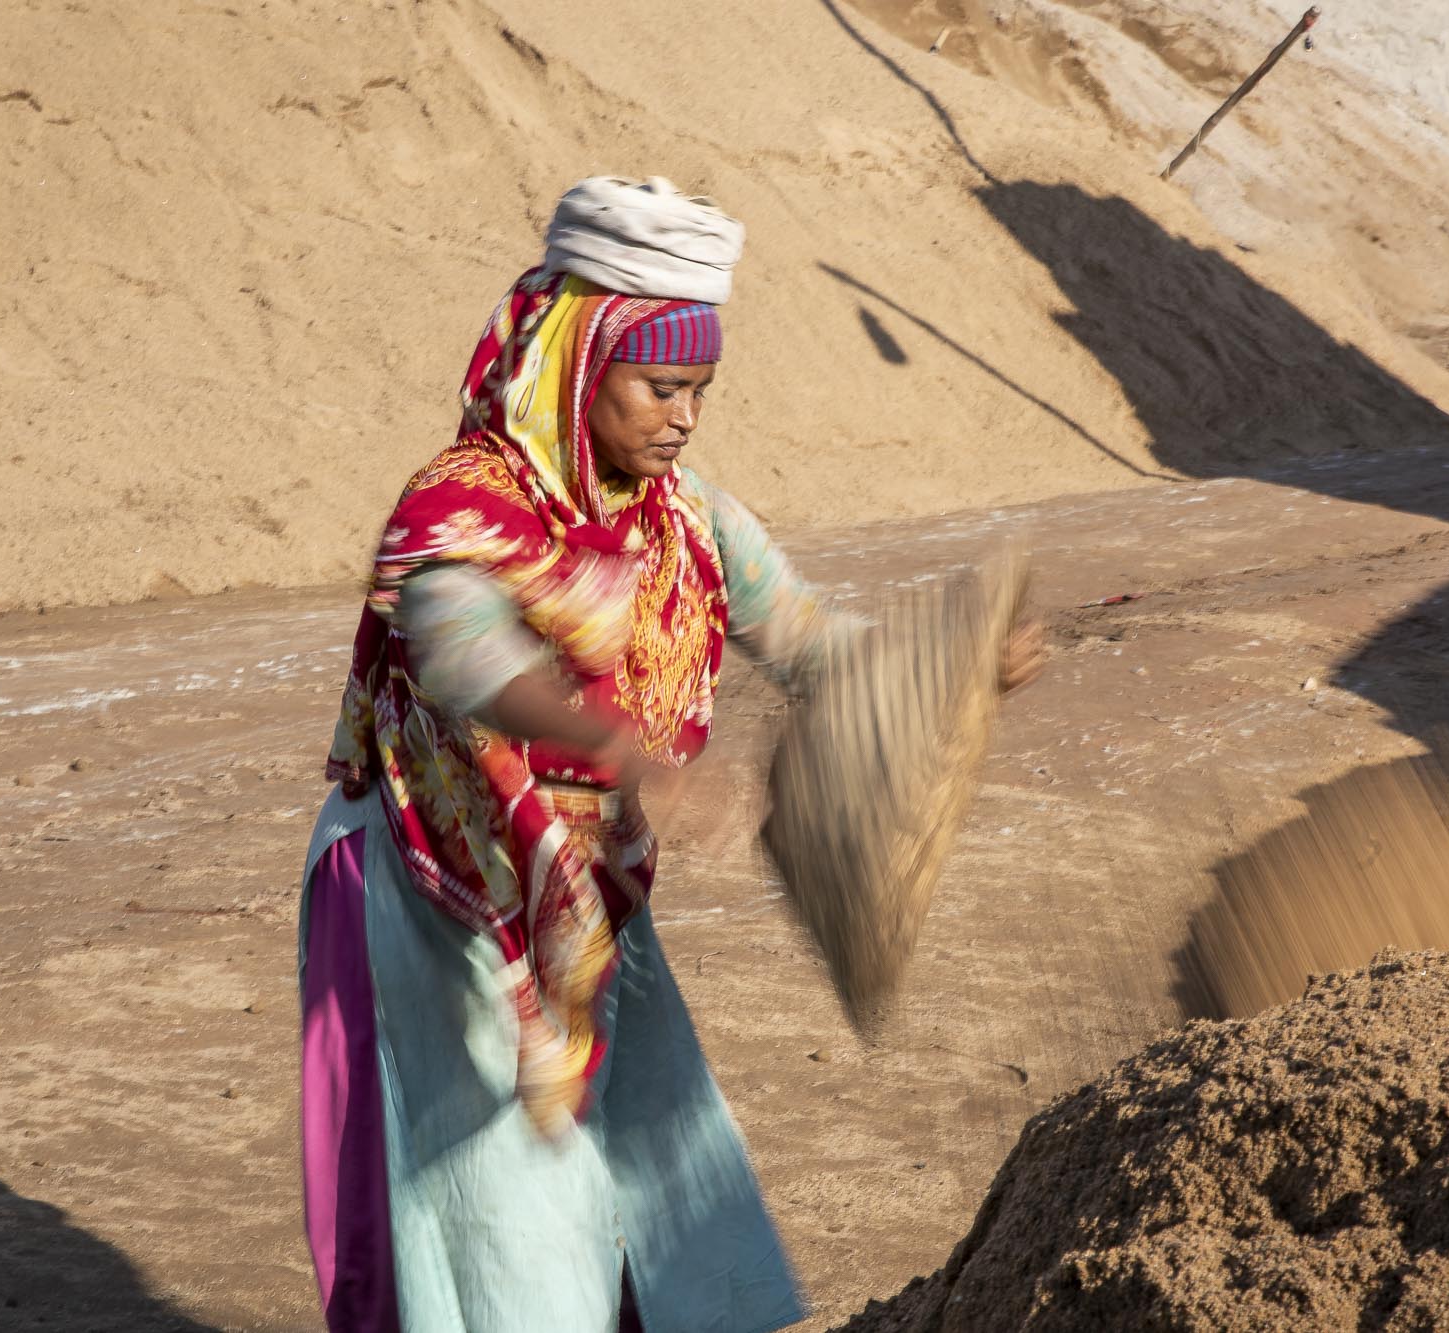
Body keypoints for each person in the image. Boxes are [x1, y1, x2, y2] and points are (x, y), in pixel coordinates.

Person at [298, 177, 1041, 1333]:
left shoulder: (686, 518)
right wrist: (631, 759)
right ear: (579, 367)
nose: (683, 416)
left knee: (665, 1162)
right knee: (505, 1201)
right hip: (437, 886)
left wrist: (952, 666)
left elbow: (800, 637)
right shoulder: (461, 509)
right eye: (660, 387)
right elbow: (463, 660)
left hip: (579, 887)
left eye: (699, 389)